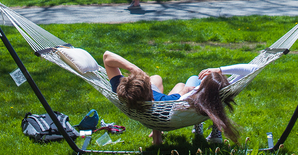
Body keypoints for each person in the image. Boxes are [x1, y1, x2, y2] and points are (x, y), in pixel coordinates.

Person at [103, 50, 248, 145]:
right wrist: (135, 69)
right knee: (182, 84)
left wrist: (133, 70)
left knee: (157, 78)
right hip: (164, 105)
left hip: (143, 107)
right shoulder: (166, 103)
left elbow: (106, 57)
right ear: (151, 93)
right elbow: (186, 91)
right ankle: (205, 127)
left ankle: (156, 135)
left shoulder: (121, 92)